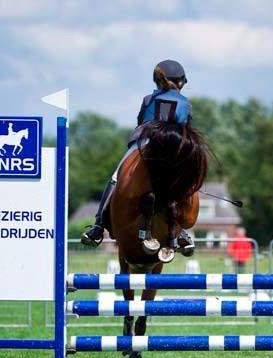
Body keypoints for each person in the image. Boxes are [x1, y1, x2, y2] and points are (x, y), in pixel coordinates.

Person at [81, 59, 194, 253]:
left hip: (145, 144)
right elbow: (186, 130)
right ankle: (181, 230)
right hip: (172, 151)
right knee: (184, 184)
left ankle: (98, 225)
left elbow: (141, 122)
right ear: (181, 82)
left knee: (116, 177)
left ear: (156, 81)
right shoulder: (186, 104)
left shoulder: (148, 100)